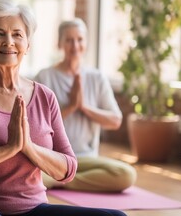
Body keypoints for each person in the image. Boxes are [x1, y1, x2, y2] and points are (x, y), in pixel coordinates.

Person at [0, 0, 126, 216]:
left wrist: (28, 147)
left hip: (33, 209)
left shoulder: (45, 96)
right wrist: (7, 149)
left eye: (17, 34)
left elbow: (69, 168)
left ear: (27, 45)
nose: (9, 41)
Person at [35, 18, 137, 192]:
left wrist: (83, 107)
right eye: (69, 40)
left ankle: (62, 181)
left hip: (86, 159)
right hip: (54, 159)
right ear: (60, 43)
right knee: (26, 179)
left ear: (86, 43)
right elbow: (36, 126)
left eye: (80, 39)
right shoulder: (45, 77)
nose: (75, 45)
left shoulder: (97, 78)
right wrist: (70, 107)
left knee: (126, 175)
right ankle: (60, 177)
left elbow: (115, 121)